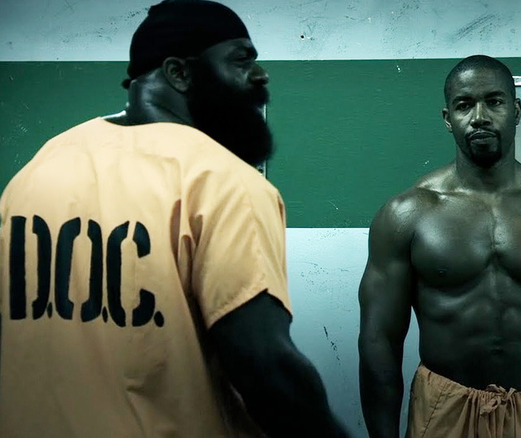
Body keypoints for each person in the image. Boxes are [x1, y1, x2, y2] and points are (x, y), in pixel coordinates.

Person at [0, 1, 348, 437]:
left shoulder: (40, 168)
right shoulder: (222, 180)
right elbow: (266, 367)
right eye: (242, 59)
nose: (261, 75)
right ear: (179, 74)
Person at [358, 55, 521, 438]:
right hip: (445, 407)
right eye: (464, 105)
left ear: (515, 111)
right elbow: (379, 341)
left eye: (493, 102)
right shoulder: (407, 215)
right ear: (448, 118)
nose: (479, 116)